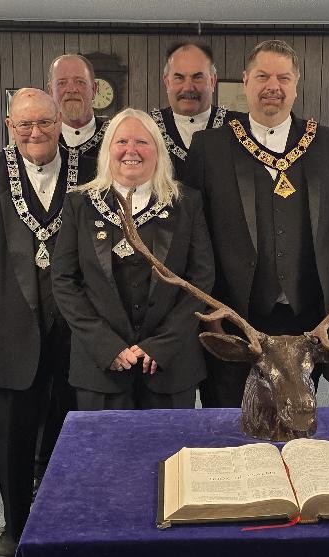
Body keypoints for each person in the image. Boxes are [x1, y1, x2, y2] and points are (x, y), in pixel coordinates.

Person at [0, 88, 96, 557]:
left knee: (70, 427)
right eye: (24, 125)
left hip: (78, 330)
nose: (35, 133)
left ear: (61, 122)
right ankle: (14, 527)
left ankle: (64, 520)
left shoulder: (93, 170)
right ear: (9, 126)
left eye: (45, 123)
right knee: (11, 433)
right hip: (9, 329)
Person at [185, 40, 329, 408]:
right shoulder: (210, 146)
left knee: (298, 417)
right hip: (232, 317)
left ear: (296, 84)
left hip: (309, 317)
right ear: (245, 81)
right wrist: (207, 311)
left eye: (282, 77)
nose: (272, 85)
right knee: (229, 420)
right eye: (262, 76)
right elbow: (194, 235)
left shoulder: (328, 144)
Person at [53, 108, 214, 411]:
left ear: (158, 151)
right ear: (107, 150)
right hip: (100, 368)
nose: (131, 150)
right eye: (121, 141)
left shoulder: (186, 203)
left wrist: (163, 345)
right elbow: (64, 282)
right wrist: (106, 346)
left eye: (142, 142)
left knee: (168, 456)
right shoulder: (80, 203)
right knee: (105, 457)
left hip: (170, 366)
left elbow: (201, 280)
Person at [153, 41, 238, 181]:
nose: (188, 88)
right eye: (179, 78)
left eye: (197, 77)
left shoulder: (238, 127)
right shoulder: (147, 128)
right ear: (167, 82)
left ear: (212, 81)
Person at [48, 54, 109, 158]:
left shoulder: (114, 135)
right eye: (62, 83)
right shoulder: (41, 138)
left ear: (94, 89)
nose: (72, 89)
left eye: (80, 82)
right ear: (50, 91)